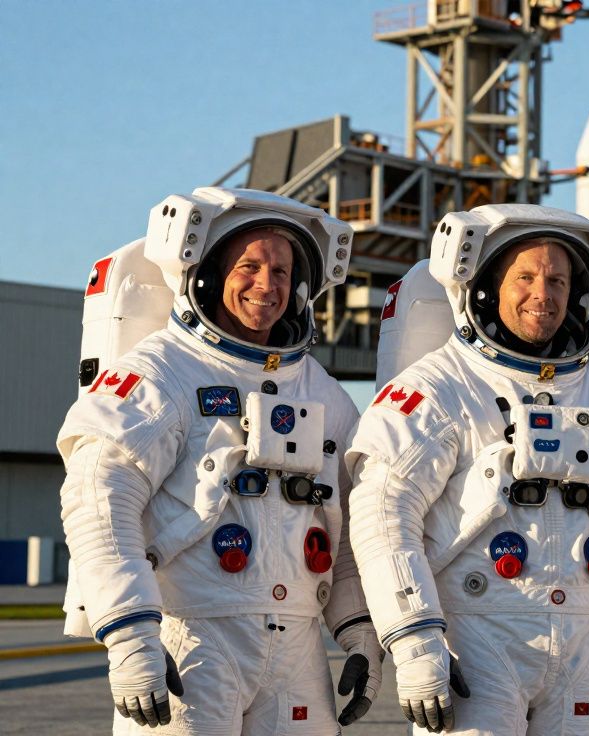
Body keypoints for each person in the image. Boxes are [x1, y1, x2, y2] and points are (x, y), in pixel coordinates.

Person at [58, 187, 380, 734]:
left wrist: (359, 634)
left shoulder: (324, 396)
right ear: (206, 274)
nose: (267, 284)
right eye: (249, 266)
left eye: (281, 271)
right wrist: (131, 634)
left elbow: (351, 529)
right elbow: (98, 503)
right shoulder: (162, 375)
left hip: (297, 651)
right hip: (193, 639)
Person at [347, 204, 589, 735]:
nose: (544, 294)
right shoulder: (439, 388)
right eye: (526, 276)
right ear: (488, 287)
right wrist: (415, 642)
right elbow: (383, 515)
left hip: (584, 656)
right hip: (473, 648)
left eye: (558, 279)